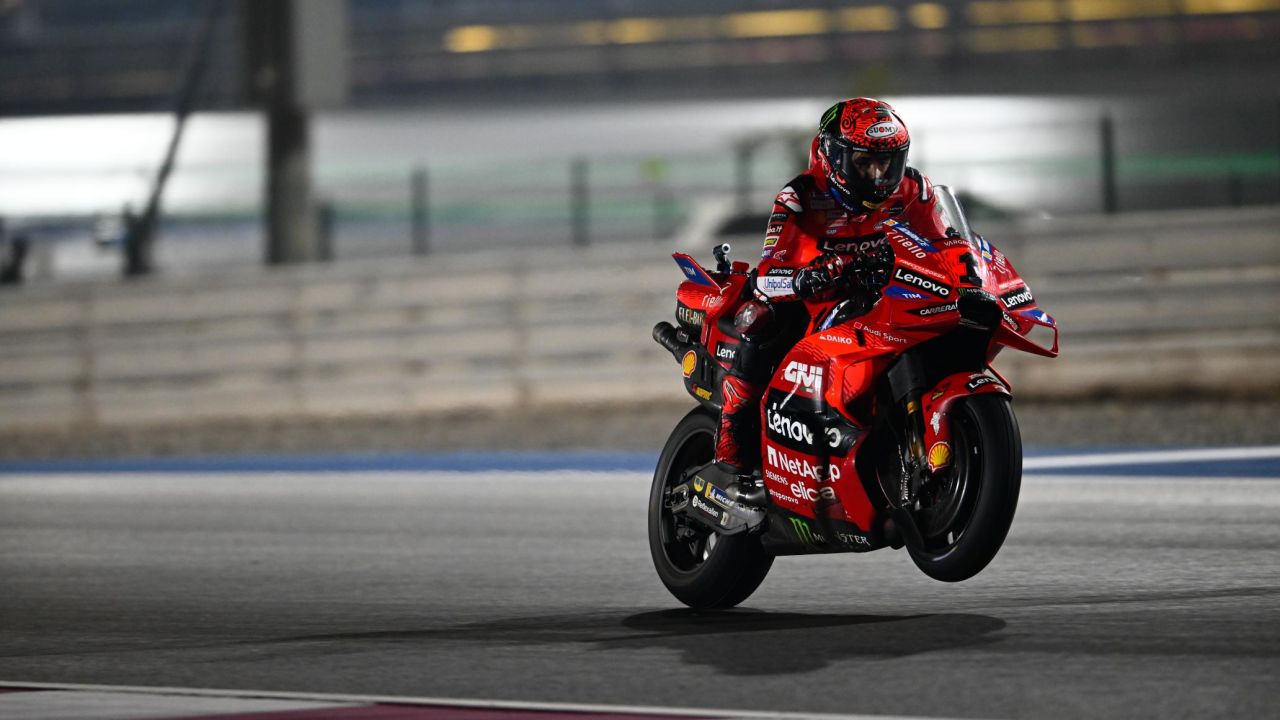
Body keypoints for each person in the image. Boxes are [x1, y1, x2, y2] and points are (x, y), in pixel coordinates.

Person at [715, 97, 949, 502]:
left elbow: (946, 242)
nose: (878, 176)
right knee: (759, 319)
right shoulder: (801, 195)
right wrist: (810, 276)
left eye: (887, 163)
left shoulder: (915, 189)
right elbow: (770, 270)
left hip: (882, 294)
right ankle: (731, 454)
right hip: (809, 300)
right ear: (832, 156)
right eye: (864, 163)